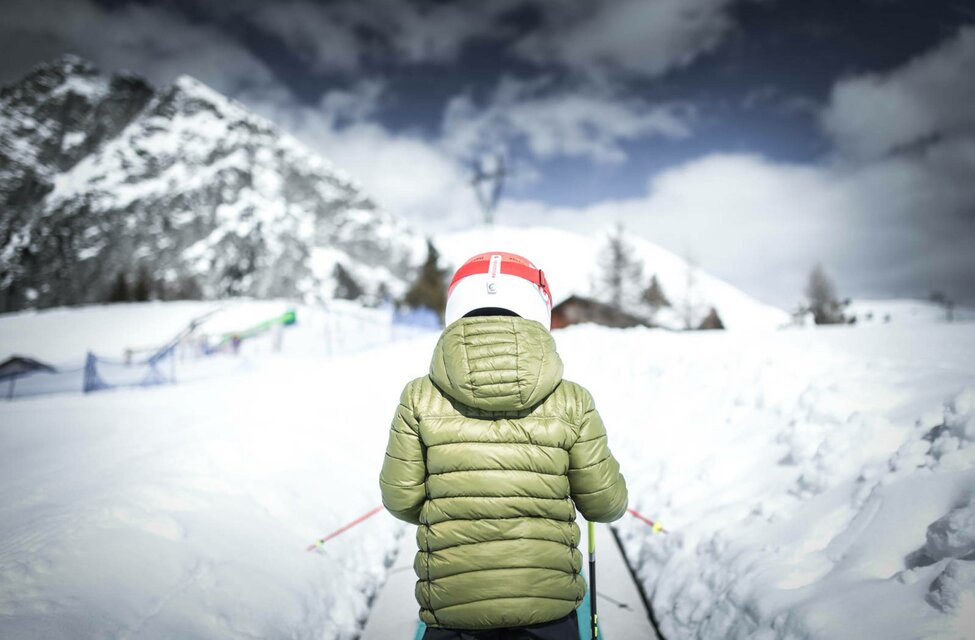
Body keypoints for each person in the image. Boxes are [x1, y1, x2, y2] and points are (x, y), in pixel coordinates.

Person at [380, 251, 628, 639]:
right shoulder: (572, 400)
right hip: (549, 612)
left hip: (453, 611)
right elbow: (605, 504)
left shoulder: (419, 397)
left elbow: (400, 498)